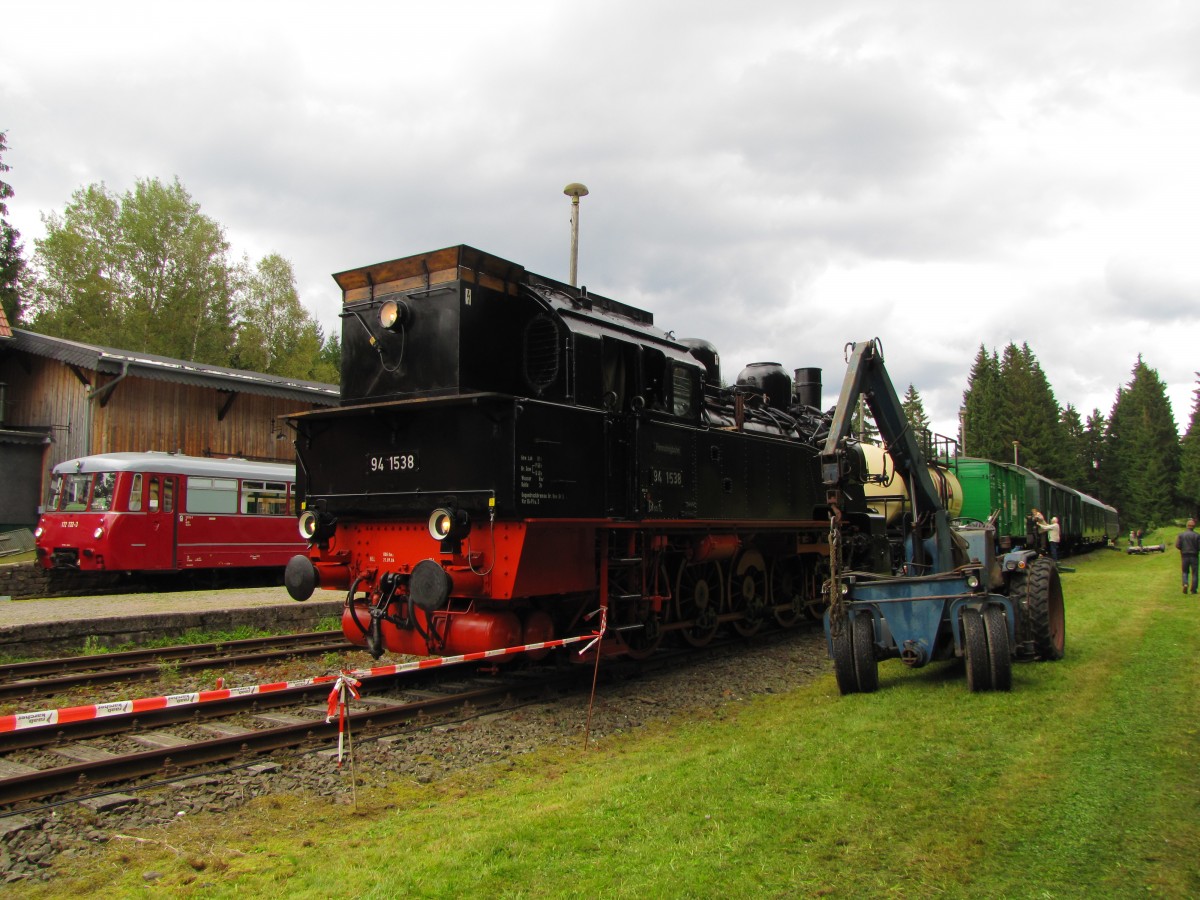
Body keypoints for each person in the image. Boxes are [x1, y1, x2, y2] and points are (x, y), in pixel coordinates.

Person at [1177, 519, 1199, 595]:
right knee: (1195, 573)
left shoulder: (1181, 535)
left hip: (1184, 555)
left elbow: (1178, 545)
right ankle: (1193, 590)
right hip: (1194, 556)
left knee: (1185, 571)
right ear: (1194, 527)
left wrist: (1182, 549)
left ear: (1187, 526)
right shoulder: (1197, 535)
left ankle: (1185, 583)